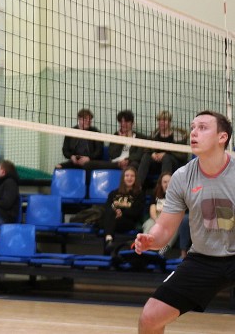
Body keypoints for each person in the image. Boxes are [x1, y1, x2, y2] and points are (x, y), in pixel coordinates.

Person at [134, 110, 235, 333]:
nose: (194, 133)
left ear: (222, 137)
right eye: (192, 127)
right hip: (204, 259)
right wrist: (151, 239)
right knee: (149, 318)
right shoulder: (181, 177)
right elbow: (164, 228)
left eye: (203, 128)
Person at [136, 110, 188, 188]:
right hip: (157, 164)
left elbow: (183, 155)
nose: (162, 122)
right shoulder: (154, 135)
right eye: (160, 120)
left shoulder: (178, 136)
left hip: (173, 164)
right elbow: (146, 149)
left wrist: (166, 154)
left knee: (166, 158)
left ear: (170, 122)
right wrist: (152, 153)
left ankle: (164, 188)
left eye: (164, 120)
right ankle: (137, 187)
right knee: (146, 156)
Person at [99, 165, 144, 252]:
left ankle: (108, 242)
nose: (129, 178)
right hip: (113, 219)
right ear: (123, 178)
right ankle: (109, 240)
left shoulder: (139, 194)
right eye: (127, 175)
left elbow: (137, 211)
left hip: (127, 222)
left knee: (108, 222)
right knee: (110, 215)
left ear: (136, 178)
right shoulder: (113, 193)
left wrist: (122, 212)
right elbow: (107, 207)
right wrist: (115, 212)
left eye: (132, 176)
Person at [142, 173, 179, 256]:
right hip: (157, 217)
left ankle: (165, 248)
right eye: (164, 182)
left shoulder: (178, 195)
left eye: (169, 182)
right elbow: (152, 209)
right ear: (161, 184)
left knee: (175, 228)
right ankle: (145, 245)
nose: (167, 184)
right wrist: (156, 220)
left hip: (171, 219)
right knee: (148, 223)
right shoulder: (155, 194)